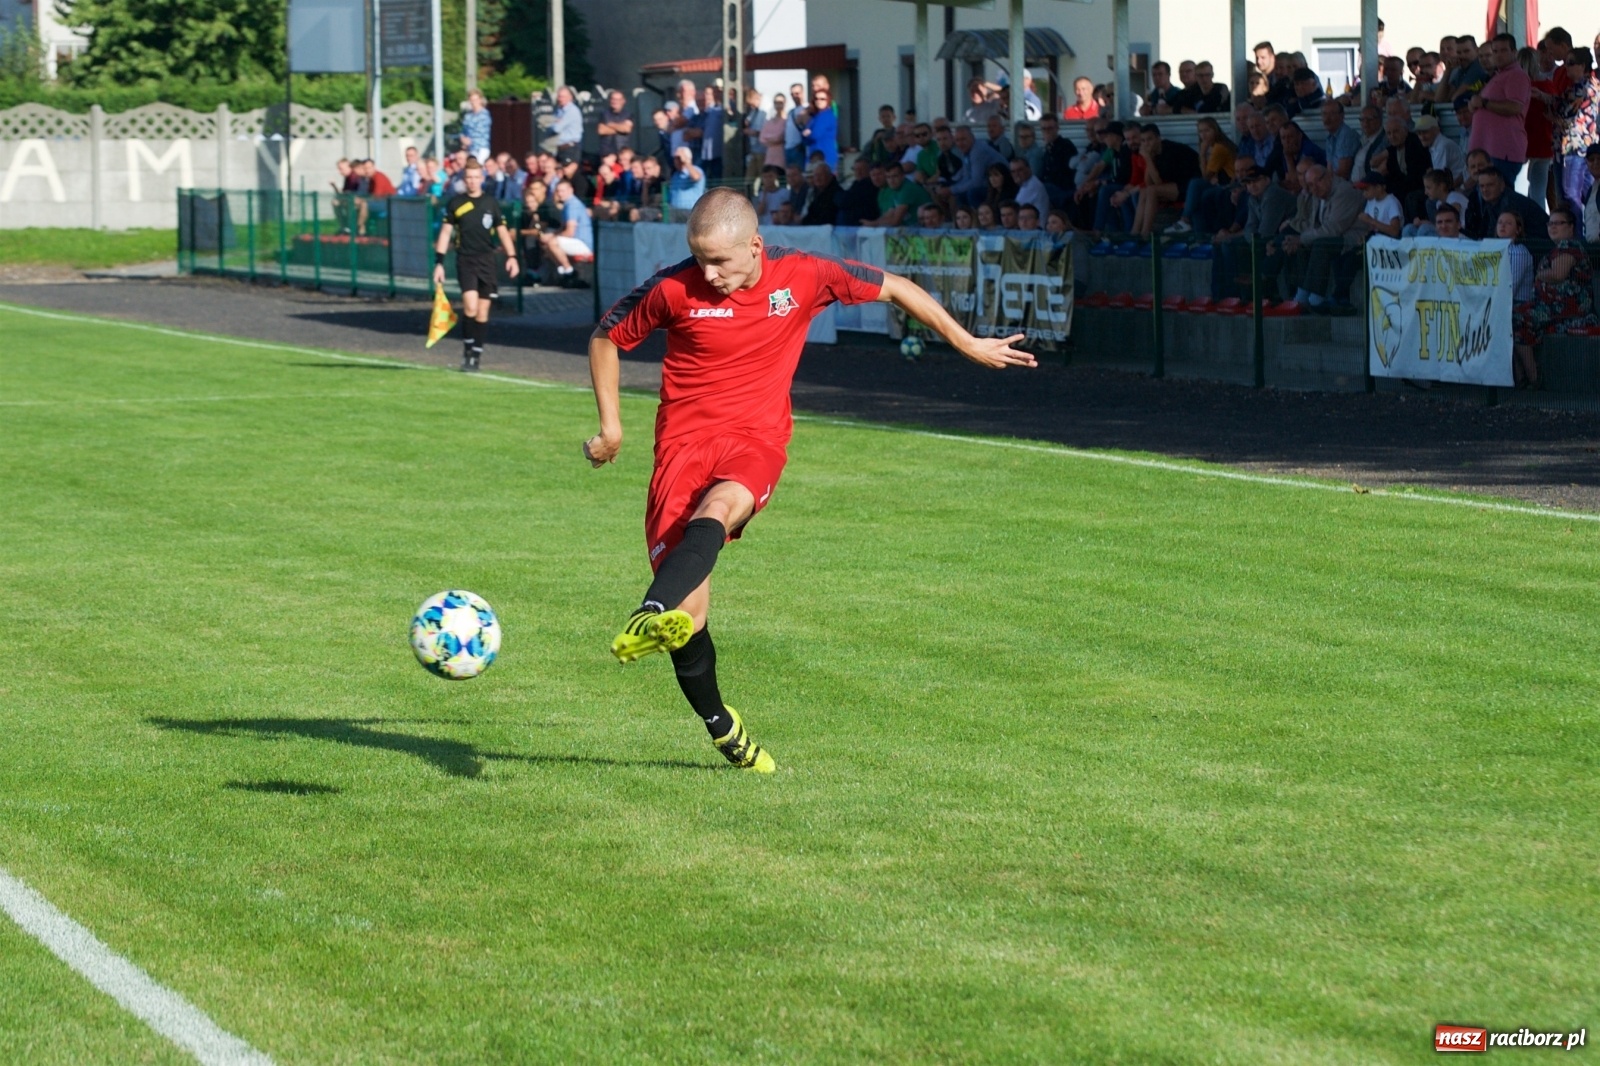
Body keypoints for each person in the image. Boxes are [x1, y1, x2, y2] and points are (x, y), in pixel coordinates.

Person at [583, 188, 1035, 771]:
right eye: (699, 259)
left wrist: (966, 341)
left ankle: (647, 610)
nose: (708, 272)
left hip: (756, 442)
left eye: (720, 261)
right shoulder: (673, 289)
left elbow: (894, 285)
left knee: (719, 510)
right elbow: (606, 336)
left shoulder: (805, 275)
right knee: (690, 622)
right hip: (680, 450)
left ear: (755, 246)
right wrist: (612, 428)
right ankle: (722, 726)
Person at [432, 158, 520, 373]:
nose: (472, 181)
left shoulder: (491, 203)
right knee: (470, 306)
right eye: (468, 178)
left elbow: (502, 232)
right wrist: (439, 263)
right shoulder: (455, 203)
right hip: (466, 260)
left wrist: (512, 256)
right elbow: (445, 233)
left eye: (476, 177)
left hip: (487, 261)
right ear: (464, 180)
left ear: (482, 178)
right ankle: (467, 349)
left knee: (483, 311)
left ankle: (477, 354)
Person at [1513, 208, 1598, 387]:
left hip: (1571, 313)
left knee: (1517, 317)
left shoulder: (1570, 246)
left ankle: (1533, 377)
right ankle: (1520, 378)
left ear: (1571, 227)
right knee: (1510, 316)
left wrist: (1540, 274)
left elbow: (1558, 274)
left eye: (1558, 223)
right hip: (1549, 311)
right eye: (1550, 223)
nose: (1552, 227)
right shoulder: (1557, 249)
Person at [1468, 34, 1531, 186]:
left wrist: (1484, 103)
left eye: (1503, 50)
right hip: (1488, 152)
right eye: (1495, 51)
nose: (1498, 55)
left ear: (1514, 52)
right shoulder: (1498, 76)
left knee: (1502, 201)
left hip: (1502, 152)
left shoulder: (1516, 75)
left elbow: (1515, 107)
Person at [1126, 123, 1201, 235]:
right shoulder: (1153, 153)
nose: (1147, 144)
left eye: (1149, 139)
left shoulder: (1169, 151)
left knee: (1152, 191)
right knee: (1144, 191)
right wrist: (1148, 159)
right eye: (1143, 141)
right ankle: (1135, 232)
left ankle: (1146, 233)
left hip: (1190, 185)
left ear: (1158, 138)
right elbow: (1148, 182)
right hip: (1174, 185)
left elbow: (1158, 183)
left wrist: (1147, 158)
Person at [1166, 115, 1236, 234]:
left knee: (1196, 184)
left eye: (1207, 130)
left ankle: (1185, 220)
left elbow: (1205, 177)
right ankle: (1200, 236)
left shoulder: (1219, 148)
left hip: (1230, 185)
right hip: (1222, 183)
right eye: (1200, 131)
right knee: (1199, 196)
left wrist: (1202, 154)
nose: (1203, 135)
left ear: (1215, 130)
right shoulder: (1215, 147)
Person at [1465, 166, 1548, 239]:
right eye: (1481, 186)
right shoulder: (1490, 202)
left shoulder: (1512, 203)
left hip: (1538, 247)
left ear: (1502, 186)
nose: (1485, 190)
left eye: (1490, 185)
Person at [866, 163, 929, 227]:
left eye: (894, 176)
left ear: (903, 176)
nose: (891, 180)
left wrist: (873, 224)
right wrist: (873, 223)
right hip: (911, 228)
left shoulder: (907, 189)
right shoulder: (895, 189)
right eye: (888, 177)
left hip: (925, 228)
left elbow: (895, 221)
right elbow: (889, 214)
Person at [1414, 115, 1466, 186]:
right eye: (1419, 133)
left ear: (1436, 130)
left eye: (1425, 132)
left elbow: (1437, 178)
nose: (1422, 137)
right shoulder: (1436, 144)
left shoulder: (1442, 146)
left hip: (1457, 188)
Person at [1352, 170, 1403, 238]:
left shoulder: (1391, 202)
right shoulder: (1370, 201)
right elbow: (1369, 227)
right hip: (1376, 241)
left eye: (1367, 189)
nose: (1364, 193)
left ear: (1378, 188)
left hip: (1391, 242)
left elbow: (1395, 231)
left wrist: (1371, 221)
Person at [1498, 210, 1535, 302]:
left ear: (1518, 229)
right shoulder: (1492, 249)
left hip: (1517, 307)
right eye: (1500, 222)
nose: (1502, 226)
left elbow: (1510, 287)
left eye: (1508, 223)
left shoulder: (1520, 252)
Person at [837, 158, 883, 226]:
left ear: (868, 170)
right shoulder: (856, 183)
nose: (858, 172)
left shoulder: (869, 184)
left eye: (861, 169)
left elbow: (845, 201)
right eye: (856, 169)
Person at [802, 87, 839, 169]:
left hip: (825, 154)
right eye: (816, 99)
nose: (819, 101)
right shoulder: (815, 116)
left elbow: (815, 135)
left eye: (822, 99)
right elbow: (805, 137)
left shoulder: (827, 115)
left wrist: (808, 134)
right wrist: (807, 135)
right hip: (814, 153)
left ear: (828, 100)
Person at [666, 146, 706, 218]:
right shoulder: (676, 175)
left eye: (678, 157)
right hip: (675, 210)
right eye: (675, 158)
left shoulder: (696, 170)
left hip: (690, 211)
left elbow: (696, 177)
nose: (676, 160)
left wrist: (687, 162)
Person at [597, 89, 634, 158]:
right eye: (613, 99)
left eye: (618, 99)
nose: (615, 102)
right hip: (606, 153)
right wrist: (620, 128)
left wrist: (611, 125)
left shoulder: (628, 114)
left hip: (623, 153)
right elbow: (601, 130)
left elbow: (627, 129)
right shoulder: (604, 114)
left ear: (623, 101)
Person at [551, 86, 583, 160]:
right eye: (559, 97)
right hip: (560, 148)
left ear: (570, 97)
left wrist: (554, 122)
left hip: (570, 148)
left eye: (563, 97)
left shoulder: (572, 111)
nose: (560, 99)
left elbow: (556, 129)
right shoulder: (559, 110)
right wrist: (555, 122)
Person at [462, 89, 492, 160]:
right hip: (470, 149)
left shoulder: (484, 115)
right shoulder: (468, 116)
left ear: (480, 100)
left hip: (481, 148)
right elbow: (463, 131)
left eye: (476, 99)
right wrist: (463, 138)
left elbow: (479, 132)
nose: (473, 102)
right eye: (471, 100)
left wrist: (468, 141)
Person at [760, 94, 788, 170]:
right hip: (770, 157)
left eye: (780, 102)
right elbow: (762, 139)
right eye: (776, 102)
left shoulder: (787, 121)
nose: (778, 105)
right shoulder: (768, 122)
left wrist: (770, 138)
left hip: (783, 156)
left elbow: (783, 137)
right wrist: (775, 139)